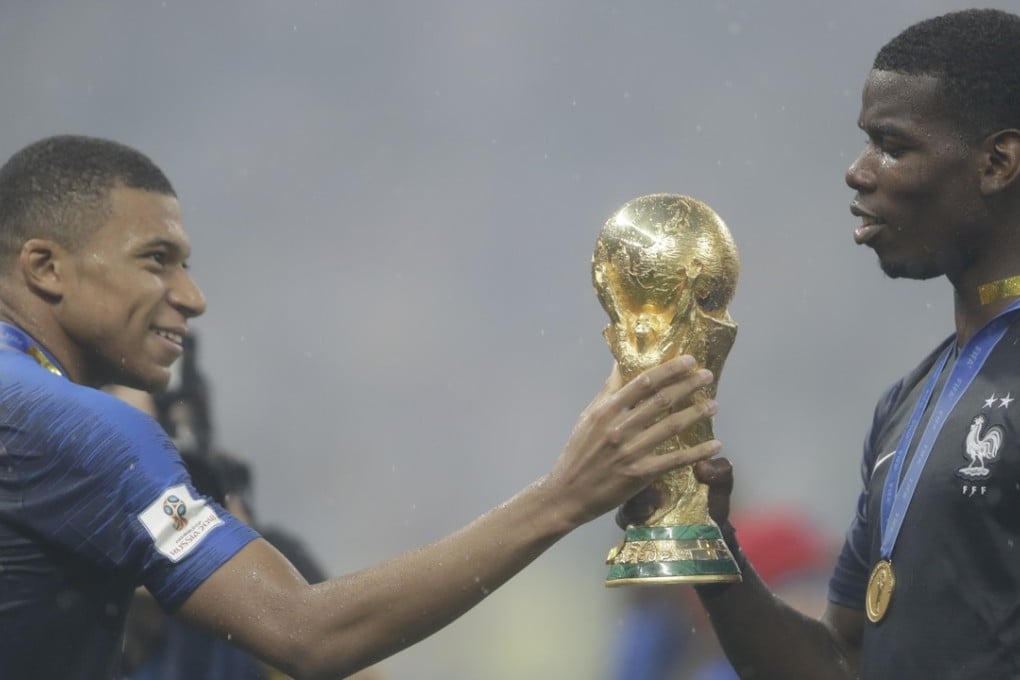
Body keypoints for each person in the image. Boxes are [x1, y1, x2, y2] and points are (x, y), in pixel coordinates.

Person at [0, 134, 722, 679]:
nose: (192, 296)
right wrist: (565, 496)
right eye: (157, 260)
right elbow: (302, 633)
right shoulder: (85, 432)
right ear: (45, 266)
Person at [616, 8, 1020, 679]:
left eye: (893, 146)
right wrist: (706, 548)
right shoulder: (908, 401)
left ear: (998, 162)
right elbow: (839, 663)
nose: (858, 173)